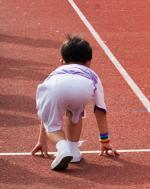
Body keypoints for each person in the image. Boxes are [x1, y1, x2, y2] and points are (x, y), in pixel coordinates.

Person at [31, 34, 118, 170]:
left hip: (55, 87)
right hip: (83, 87)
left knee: (52, 127)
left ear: (62, 61)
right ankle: (73, 150)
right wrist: (104, 141)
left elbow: (46, 113)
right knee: (76, 113)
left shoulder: (55, 73)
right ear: (89, 61)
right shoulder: (92, 75)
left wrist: (42, 140)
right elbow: (100, 110)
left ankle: (63, 147)